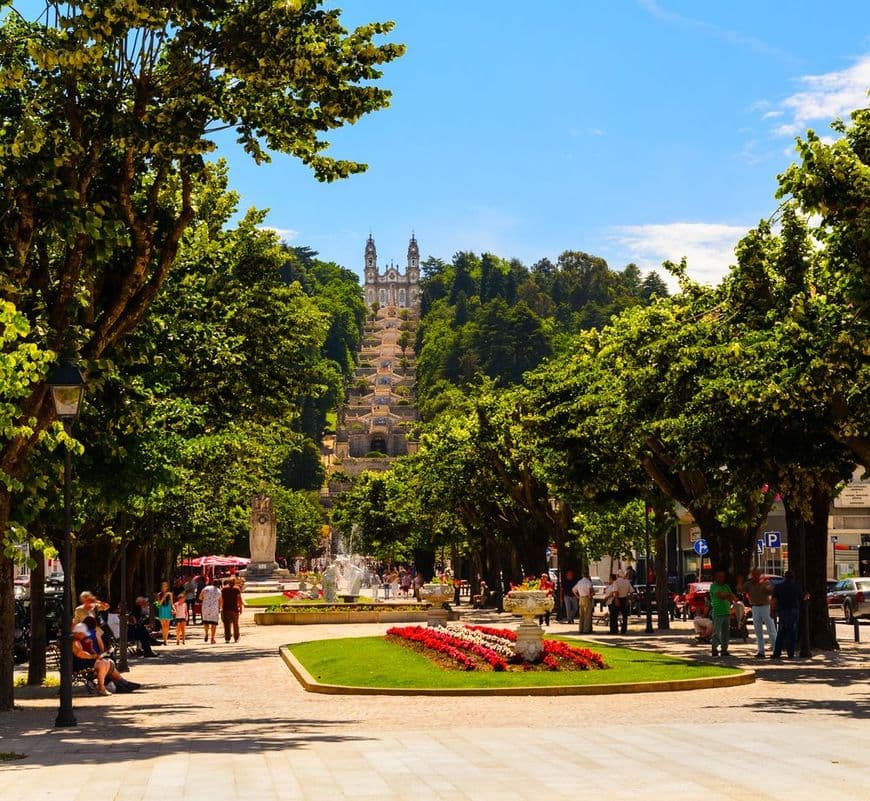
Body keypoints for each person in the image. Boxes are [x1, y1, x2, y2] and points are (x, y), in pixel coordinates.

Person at [71, 623, 140, 696]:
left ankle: (122, 683)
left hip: (82, 661)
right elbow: (79, 654)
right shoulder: (72, 641)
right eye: (83, 634)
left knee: (109, 662)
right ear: (77, 633)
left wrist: (92, 650)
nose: (84, 635)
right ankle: (102, 687)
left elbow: (84, 653)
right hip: (77, 664)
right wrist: (93, 656)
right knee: (103, 663)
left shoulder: (77, 640)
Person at [772, 570, 809, 659]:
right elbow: (803, 597)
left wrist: (772, 610)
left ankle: (777, 652)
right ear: (793, 577)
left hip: (783, 610)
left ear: (784, 576)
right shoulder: (797, 587)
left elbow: (774, 600)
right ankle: (790, 653)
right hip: (793, 610)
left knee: (781, 632)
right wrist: (807, 596)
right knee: (792, 632)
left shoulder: (778, 586)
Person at [744, 568, 777, 659]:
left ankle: (776, 650)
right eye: (753, 574)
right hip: (755, 607)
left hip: (766, 606)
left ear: (760, 575)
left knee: (771, 629)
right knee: (758, 630)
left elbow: (771, 591)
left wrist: (764, 585)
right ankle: (761, 651)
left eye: (757, 574)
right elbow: (742, 590)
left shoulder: (766, 583)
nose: (755, 576)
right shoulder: (749, 584)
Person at [709, 569, 737, 658]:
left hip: (726, 612)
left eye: (722, 576)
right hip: (718, 612)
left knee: (726, 632)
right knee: (716, 632)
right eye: (719, 576)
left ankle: (724, 649)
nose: (721, 578)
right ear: (716, 577)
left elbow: (733, 598)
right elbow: (719, 595)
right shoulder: (713, 586)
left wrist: (727, 596)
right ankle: (714, 649)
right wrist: (727, 595)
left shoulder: (726, 586)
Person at [221, 577, 244, 643]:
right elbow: (239, 599)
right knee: (235, 624)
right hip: (234, 609)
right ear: (234, 582)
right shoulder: (236, 589)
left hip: (226, 608)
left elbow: (222, 599)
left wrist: (221, 607)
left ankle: (227, 638)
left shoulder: (224, 589)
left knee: (226, 624)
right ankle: (236, 638)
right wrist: (241, 607)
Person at [200, 578, 222, 644]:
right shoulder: (219, 591)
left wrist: (205, 599)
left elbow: (200, 597)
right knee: (214, 624)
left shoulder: (206, 588)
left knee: (206, 622)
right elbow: (220, 601)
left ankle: (206, 633)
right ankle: (212, 638)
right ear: (218, 584)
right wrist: (220, 608)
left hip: (205, 607)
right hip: (214, 609)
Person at [156, 582, 174, 646]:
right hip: (162, 609)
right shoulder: (159, 594)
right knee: (163, 625)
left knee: (167, 625)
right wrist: (163, 597)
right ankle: (164, 639)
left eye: (165, 586)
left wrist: (174, 609)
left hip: (168, 609)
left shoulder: (170, 594)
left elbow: (172, 603)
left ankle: (165, 640)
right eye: (163, 586)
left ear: (167, 587)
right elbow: (158, 604)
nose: (164, 588)